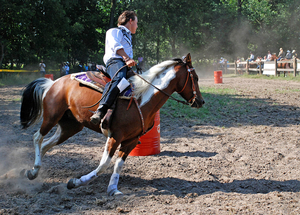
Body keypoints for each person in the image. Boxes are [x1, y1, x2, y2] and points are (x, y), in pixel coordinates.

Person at [90, 10, 138, 124]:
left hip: (125, 64)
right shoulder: (114, 31)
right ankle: (101, 110)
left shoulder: (128, 36)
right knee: (120, 78)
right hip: (116, 61)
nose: (137, 26)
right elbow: (116, 46)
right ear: (130, 21)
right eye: (136, 22)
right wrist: (127, 58)